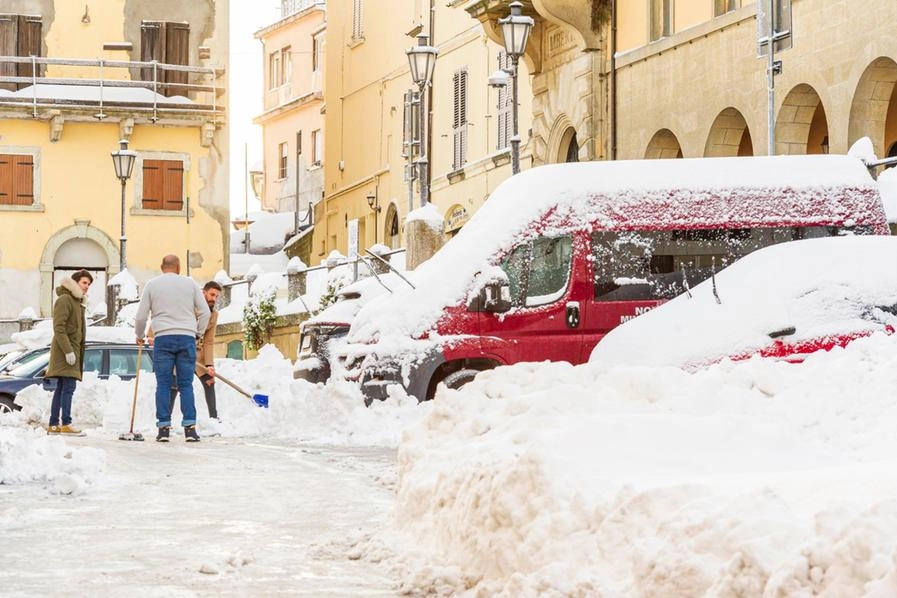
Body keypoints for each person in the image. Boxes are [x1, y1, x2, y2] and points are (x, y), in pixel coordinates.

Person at [134, 255, 210, 443]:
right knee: (185, 384)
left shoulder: (152, 285)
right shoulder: (190, 284)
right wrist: (198, 333)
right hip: (186, 337)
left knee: (164, 384)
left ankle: (163, 429)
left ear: (162, 267)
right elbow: (205, 312)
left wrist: (140, 334)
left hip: (163, 338)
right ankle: (190, 429)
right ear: (178, 267)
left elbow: (141, 316)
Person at [46, 270, 92, 435]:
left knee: (61, 388)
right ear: (75, 282)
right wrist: (68, 351)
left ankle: (53, 424)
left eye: (88, 284)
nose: (87, 287)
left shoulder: (77, 303)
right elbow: (59, 328)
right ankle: (66, 423)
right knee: (68, 387)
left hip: (72, 352)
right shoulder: (65, 300)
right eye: (84, 283)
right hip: (65, 353)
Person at [168, 281, 222, 420]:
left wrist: (209, 364)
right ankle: (165, 419)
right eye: (211, 294)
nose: (214, 299)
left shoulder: (214, 315)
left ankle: (214, 419)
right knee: (174, 385)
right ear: (203, 292)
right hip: (182, 351)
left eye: (216, 296)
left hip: (199, 355)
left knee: (210, 381)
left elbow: (209, 341)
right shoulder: (189, 307)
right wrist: (151, 335)